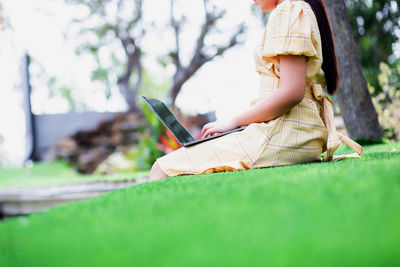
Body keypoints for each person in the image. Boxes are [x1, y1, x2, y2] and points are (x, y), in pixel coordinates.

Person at [149, 0, 362, 181]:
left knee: (163, 169)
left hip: (282, 135)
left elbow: (292, 92)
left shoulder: (289, 11)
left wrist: (234, 121)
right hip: (296, 135)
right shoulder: (299, 9)